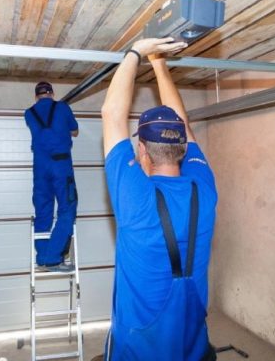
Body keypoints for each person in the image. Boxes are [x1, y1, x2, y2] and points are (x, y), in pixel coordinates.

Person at [100, 38, 218, 360]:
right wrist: (157, 63)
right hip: (192, 343)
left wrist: (138, 49)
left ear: (142, 151)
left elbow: (111, 113)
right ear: (183, 148)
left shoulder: (135, 198)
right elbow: (184, 125)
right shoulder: (204, 189)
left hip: (138, 350)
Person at [25, 81, 79, 271]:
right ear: (52, 93)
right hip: (60, 165)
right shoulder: (63, 107)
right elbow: (75, 130)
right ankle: (53, 257)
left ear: (36, 96)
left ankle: (42, 257)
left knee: (43, 210)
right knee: (67, 207)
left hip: (40, 167)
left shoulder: (28, 113)